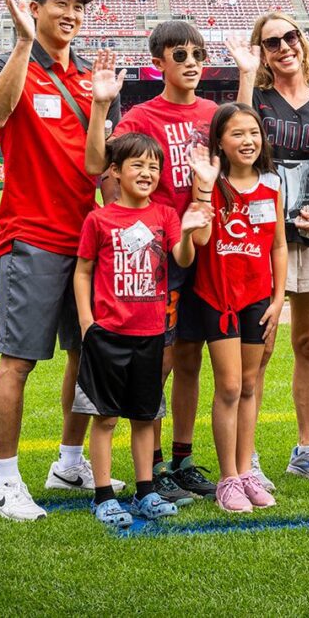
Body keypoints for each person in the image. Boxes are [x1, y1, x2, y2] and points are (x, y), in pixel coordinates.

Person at [86, 23, 255, 504]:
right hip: (165, 254)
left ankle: (182, 459)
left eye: (198, 53)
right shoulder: (141, 116)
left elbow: (242, 129)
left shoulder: (211, 112)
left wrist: (245, 75)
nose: (192, 61)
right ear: (157, 62)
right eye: (179, 54)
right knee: (157, 359)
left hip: (210, 246)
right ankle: (154, 463)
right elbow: (105, 171)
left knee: (190, 360)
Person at [0, 0, 122, 521]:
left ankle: (67, 461)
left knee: (86, 354)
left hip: (85, 239)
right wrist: (21, 43)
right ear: (35, 9)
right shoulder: (11, 63)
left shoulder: (90, 76)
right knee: (18, 361)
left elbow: (99, 164)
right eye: (60, 3)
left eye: (79, 6)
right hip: (31, 235)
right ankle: (5, 482)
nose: (72, 13)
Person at [236, 12, 309, 484]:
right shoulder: (258, 101)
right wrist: (246, 76)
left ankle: (305, 450)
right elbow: (235, 138)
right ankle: (247, 456)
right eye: (271, 43)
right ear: (262, 53)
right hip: (261, 238)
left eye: (290, 37)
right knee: (258, 347)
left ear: (303, 43)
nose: (283, 46)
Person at [73, 132, 209, 527]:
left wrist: (185, 231)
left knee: (145, 416)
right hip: (108, 336)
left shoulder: (165, 214)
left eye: (154, 167)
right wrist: (86, 321)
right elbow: (82, 272)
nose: (147, 173)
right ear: (115, 171)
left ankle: (146, 490)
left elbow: (181, 256)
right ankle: (103, 495)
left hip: (151, 334)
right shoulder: (99, 219)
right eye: (138, 165)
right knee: (106, 417)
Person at [186, 104, 287, 512]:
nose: (247, 141)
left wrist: (279, 299)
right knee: (228, 387)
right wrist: (204, 188)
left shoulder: (272, 184)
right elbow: (200, 241)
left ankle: (246, 471)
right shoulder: (211, 182)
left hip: (259, 300)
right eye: (237, 134)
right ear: (220, 143)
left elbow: (278, 246)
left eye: (254, 133)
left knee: (249, 386)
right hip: (218, 299)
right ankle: (227, 478)